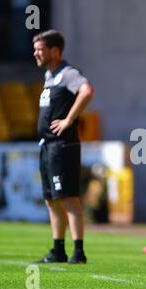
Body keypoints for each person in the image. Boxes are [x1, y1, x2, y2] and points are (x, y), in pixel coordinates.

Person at [33, 30, 95, 264]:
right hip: (47, 145)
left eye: (40, 49)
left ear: (55, 51)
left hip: (62, 145)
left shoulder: (68, 74)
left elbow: (87, 91)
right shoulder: (50, 77)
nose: (35, 54)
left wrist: (69, 119)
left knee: (68, 197)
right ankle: (58, 249)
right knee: (51, 199)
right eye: (35, 49)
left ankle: (78, 252)